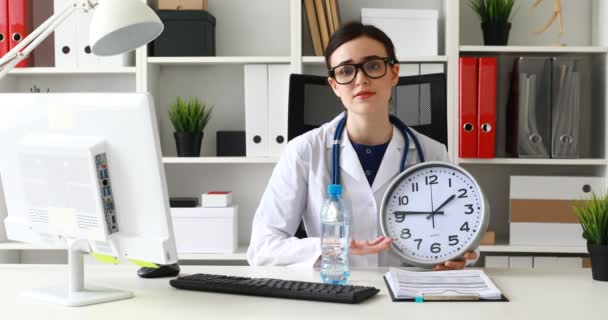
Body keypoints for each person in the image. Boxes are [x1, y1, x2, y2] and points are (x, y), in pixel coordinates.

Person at [247, 21, 478, 270]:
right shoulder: (304, 151)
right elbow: (262, 249)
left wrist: (456, 257)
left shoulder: (432, 153)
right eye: (346, 71)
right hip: (335, 295)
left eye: (373, 66)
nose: (361, 79)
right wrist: (333, 247)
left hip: (408, 297)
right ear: (334, 85)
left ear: (394, 73)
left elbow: (457, 234)